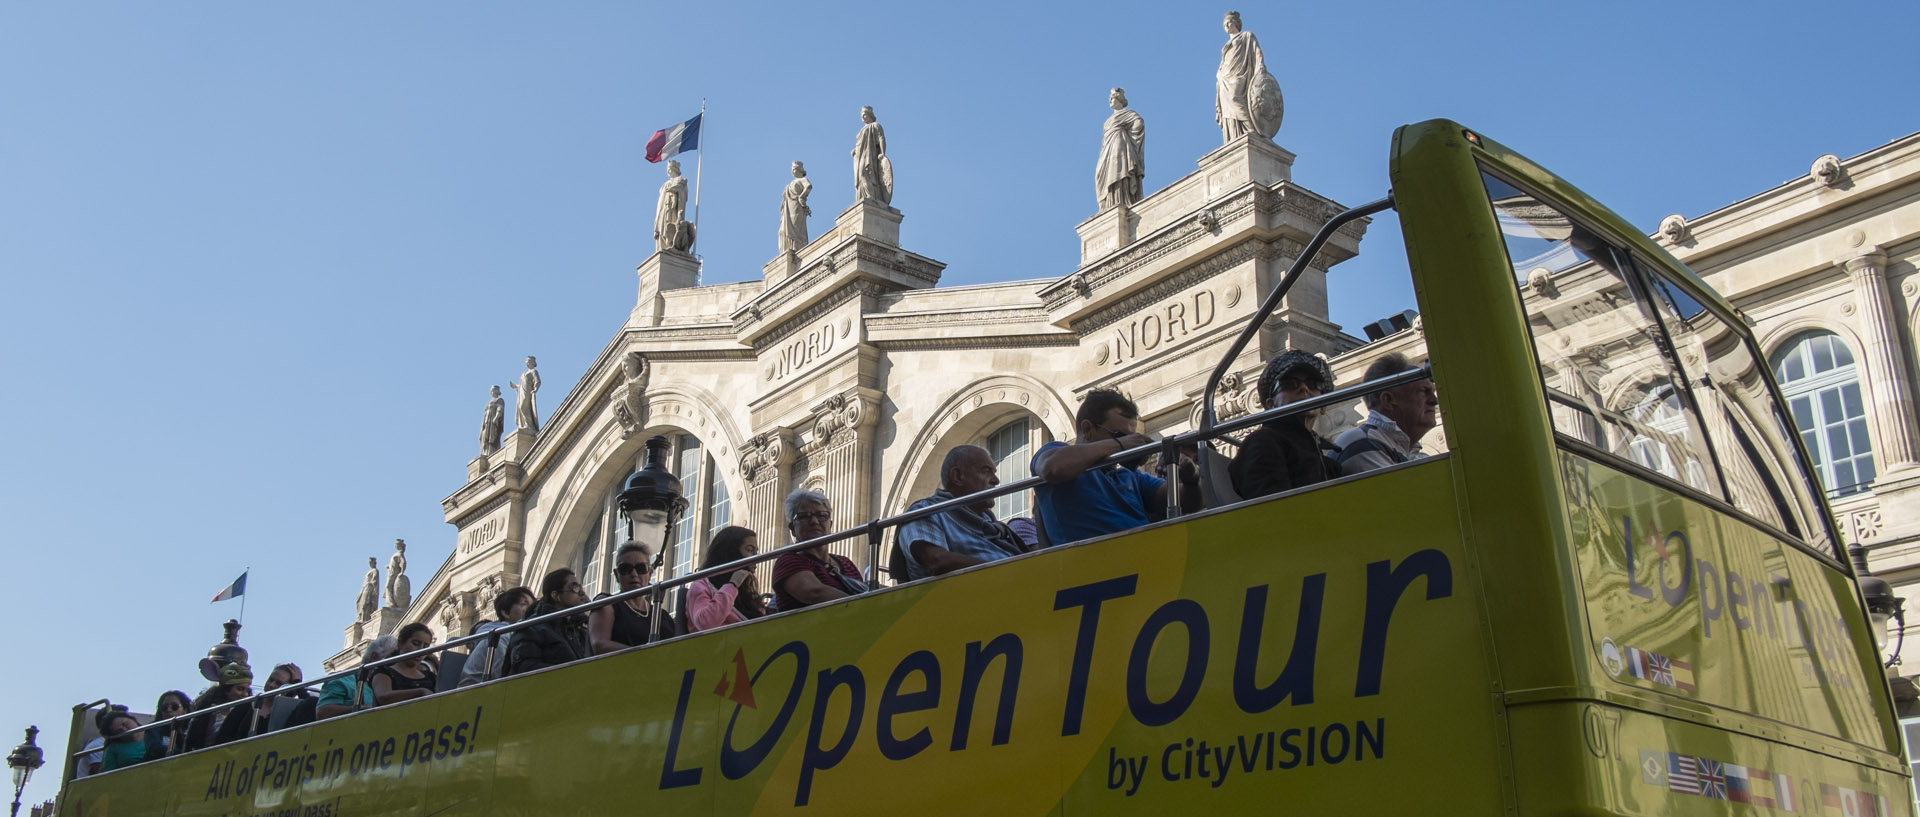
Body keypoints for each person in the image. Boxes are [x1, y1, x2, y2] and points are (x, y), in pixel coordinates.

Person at [1032, 388, 1200, 544]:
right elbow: (1051, 468)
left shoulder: (1131, 478)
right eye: (1119, 434)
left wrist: (1190, 475)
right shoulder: (1058, 452)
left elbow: (1191, 502)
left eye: (1132, 437)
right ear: (1087, 429)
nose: (1129, 443)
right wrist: (1120, 444)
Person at [898, 445, 1029, 581]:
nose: (996, 481)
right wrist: (1009, 573)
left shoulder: (996, 529)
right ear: (958, 476)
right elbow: (937, 561)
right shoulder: (926, 511)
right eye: (986, 471)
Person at [1229, 350, 1343, 499]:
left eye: (1314, 384)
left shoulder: (1323, 456)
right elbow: (1270, 508)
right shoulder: (1263, 442)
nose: (1304, 388)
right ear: (1271, 404)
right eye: (1290, 384)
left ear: (1323, 406)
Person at [1335, 352, 1438, 473]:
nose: (1434, 401)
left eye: (1432, 391)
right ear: (1388, 400)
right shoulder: (1363, 444)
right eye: (1423, 391)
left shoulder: (1384, 445)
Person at [772, 489, 868, 611]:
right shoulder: (788, 561)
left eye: (821, 515)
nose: (814, 521)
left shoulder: (845, 562)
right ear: (792, 528)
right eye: (804, 516)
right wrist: (864, 605)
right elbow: (813, 592)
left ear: (830, 524)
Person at [590, 543, 680, 653]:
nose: (634, 574)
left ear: (650, 572)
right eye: (625, 569)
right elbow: (600, 645)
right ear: (616, 574)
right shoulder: (607, 603)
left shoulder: (663, 617)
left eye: (641, 568)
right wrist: (644, 655)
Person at [509, 568, 590, 675]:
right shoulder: (531, 628)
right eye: (574, 587)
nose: (582, 592)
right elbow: (524, 668)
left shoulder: (579, 630)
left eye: (580, 586)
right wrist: (569, 673)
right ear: (555, 595)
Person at [687, 526, 766, 632]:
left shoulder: (746, 592)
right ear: (730, 552)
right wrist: (732, 585)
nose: (756, 557)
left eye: (756, 551)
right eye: (749, 550)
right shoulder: (701, 585)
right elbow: (705, 623)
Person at [460, 586, 534, 687]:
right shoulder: (499, 636)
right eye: (524, 604)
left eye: (533, 605)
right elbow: (499, 674)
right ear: (506, 613)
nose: (531, 610)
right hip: (476, 693)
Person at [317, 636, 396, 719]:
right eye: (392, 657)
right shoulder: (342, 679)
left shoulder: (394, 685)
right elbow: (323, 712)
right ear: (374, 657)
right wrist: (364, 708)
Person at [185, 662, 254, 750]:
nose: (244, 694)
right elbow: (194, 740)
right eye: (240, 689)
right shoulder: (208, 711)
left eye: (247, 690)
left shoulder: (249, 711)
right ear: (226, 690)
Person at [370, 623, 438, 704]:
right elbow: (383, 697)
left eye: (425, 647)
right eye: (416, 643)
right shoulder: (384, 672)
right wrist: (421, 692)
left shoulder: (430, 676)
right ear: (401, 643)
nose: (420, 650)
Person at [96, 707, 146, 772]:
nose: (125, 729)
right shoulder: (113, 749)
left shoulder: (153, 731)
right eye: (119, 731)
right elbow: (108, 776)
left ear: (131, 718)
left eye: (124, 724)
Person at [145, 690, 190, 760]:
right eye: (164, 707)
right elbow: (155, 749)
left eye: (174, 707)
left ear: (185, 710)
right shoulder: (153, 728)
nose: (169, 710)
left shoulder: (192, 728)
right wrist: (185, 754)